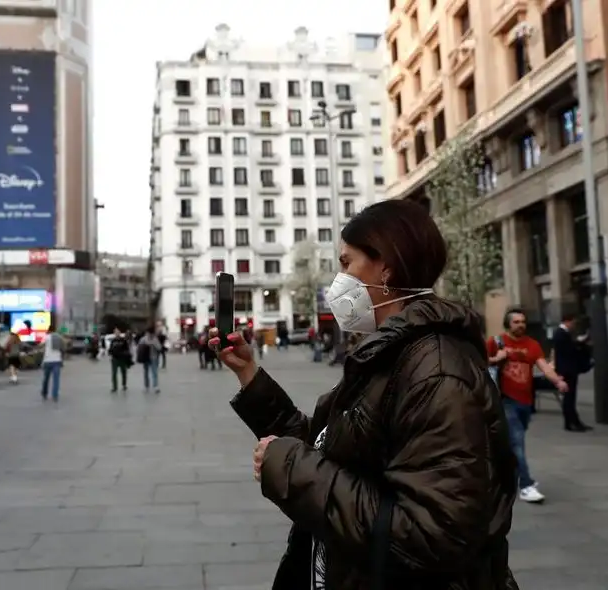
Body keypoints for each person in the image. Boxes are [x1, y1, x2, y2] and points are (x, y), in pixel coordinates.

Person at [209, 199, 519, 590]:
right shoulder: (393, 353)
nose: (339, 279)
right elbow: (332, 452)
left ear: (385, 266)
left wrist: (289, 468)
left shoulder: (436, 370)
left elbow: (431, 535)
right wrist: (249, 375)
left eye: (346, 263)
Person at [489, 308, 569, 503]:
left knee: (513, 443)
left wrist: (557, 381)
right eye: (516, 322)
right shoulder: (495, 342)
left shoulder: (532, 345)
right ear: (508, 324)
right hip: (505, 399)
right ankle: (526, 485)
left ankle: (503, 477)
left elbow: (544, 366)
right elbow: (474, 362)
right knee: (517, 443)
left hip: (525, 402)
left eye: (523, 322)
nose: (521, 325)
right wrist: (496, 358)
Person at [551, 312, 593, 432]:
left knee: (569, 397)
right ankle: (572, 422)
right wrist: (581, 345)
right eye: (573, 322)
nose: (574, 325)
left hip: (566, 369)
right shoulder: (561, 334)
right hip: (567, 370)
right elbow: (569, 350)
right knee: (569, 397)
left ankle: (572, 422)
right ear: (567, 321)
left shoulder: (562, 333)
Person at [40, 325, 64, 403]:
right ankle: (55, 395)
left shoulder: (46, 337)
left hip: (47, 361)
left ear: (49, 330)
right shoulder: (60, 337)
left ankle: (44, 393)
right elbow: (63, 348)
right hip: (57, 360)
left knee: (46, 378)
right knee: (56, 380)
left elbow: (40, 345)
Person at [137, 326, 162, 393]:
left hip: (153, 358)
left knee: (154, 372)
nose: (150, 335)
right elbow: (139, 347)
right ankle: (146, 386)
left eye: (151, 333)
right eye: (149, 333)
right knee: (146, 372)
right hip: (145, 358)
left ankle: (155, 386)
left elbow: (159, 348)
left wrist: (153, 344)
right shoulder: (143, 339)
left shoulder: (155, 339)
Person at [108, 328, 132, 393]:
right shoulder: (113, 341)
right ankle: (114, 387)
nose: (117, 333)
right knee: (114, 373)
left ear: (120, 333)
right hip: (115, 359)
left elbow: (127, 349)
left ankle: (124, 384)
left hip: (122, 359)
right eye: (115, 332)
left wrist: (127, 356)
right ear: (114, 333)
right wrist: (110, 354)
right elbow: (110, 349)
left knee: (123, 372)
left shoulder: (123, 340)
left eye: (118, 332)